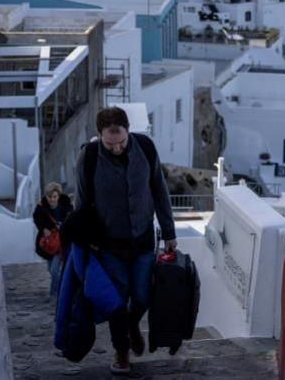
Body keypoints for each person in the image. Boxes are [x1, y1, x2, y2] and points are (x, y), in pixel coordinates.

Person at [76, 107, 177, 375]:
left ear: (127, 131)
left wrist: (169, 232)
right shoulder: (89, 157)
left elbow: (159, 189)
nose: (117, 148)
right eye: (110, 143)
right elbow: (82, 203)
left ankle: (133, 326)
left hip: (143, 241)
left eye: (120, 141)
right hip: (109, 246)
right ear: (100, 136)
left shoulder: (144, 147)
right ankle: (121, 352)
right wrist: (82, 243)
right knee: (117, 302)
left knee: (143, 296)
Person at [33, 182, 73, 299]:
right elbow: (37, 219)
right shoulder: (41, 208)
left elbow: (71, 218)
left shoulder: (65, 207)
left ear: (58, 196)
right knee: (51, 270)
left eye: (54, 196)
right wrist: (43, 228)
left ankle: (55, 293)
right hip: (48, 244)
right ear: (46, 196)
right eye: (50, 197)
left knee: (55, 270)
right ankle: (62, 289)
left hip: (60, 242)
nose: (52, 199)